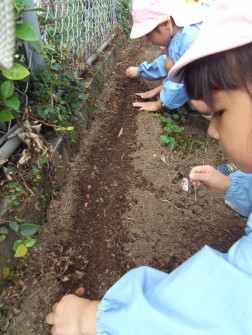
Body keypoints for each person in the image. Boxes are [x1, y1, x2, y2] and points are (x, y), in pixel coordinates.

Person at [46, 0, 252, 334]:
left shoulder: (185, 40)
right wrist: (237, 185)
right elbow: (166, 68)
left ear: (165, 24)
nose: (212, 130)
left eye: (220, 113)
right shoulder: (182, 38)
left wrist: (98, 320)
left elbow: (225, 304)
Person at [125, 0, 207, 114]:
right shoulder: (181, 27)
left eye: (148, 35)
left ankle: (208, 109)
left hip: (226, 84)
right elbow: (172, 62)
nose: (148, 41)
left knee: (199, 103)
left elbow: (181, 81)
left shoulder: (189, 41)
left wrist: (160, 103)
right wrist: (141, 71)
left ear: (166, 23)